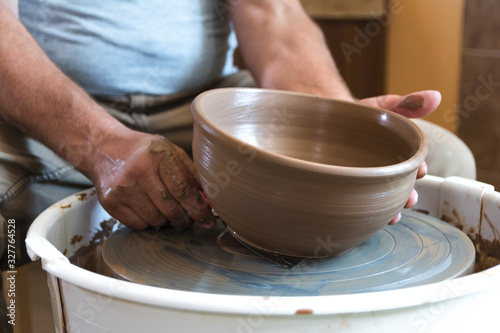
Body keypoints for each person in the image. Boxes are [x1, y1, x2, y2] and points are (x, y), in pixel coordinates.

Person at [0, 0, 440, 330]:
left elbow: (271, 12)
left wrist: (334, 125)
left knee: (444, 158)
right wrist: (99, 144)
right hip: (45, 112)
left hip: (209, 105)